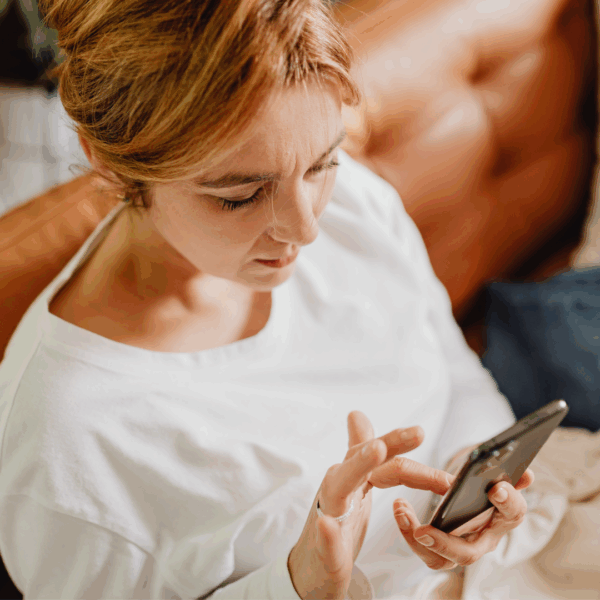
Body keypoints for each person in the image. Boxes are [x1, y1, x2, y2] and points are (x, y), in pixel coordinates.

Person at [0, 0, 533, 598]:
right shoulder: (66, 443)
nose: (307, 228)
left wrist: (474, 478)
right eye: (241, 195)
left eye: (321, 163)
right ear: (109, 162)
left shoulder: (353, 202)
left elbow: (456, 373)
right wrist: (298, 586)